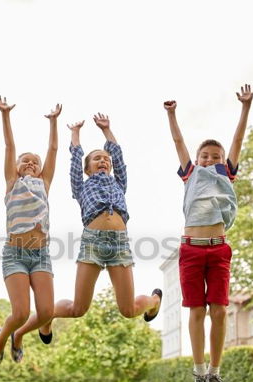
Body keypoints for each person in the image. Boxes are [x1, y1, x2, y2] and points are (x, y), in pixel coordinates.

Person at [13, 113, 162, 349]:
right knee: (78, 309)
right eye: (97, 159)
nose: (103, 161)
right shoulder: (81, 186)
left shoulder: (119, 182)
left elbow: (119, 158)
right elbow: (74, 160)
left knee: (128, 310)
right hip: (92, 242)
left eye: (106, 159)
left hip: (119, 244)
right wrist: (75, 133)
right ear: (87, 168)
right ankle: (45, 317)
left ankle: (154, 301)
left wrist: (106, 130)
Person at [164, 84, 253, 382]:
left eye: (214, 156)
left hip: (218, 249)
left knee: (219, 310)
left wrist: (245, 108)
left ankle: (216, 372)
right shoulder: (191, 173)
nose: (209, 159)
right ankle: (199, 372)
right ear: (198, 159)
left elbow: (237, 141)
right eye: (205, 155)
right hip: (190, 249)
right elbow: (178, 141)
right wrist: (171, 114)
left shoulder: (225, 174)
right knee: (196, 310)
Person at [0, 96, 61, 365]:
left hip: (41, 254)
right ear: (17, 167)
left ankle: (18, 335)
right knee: (20, 312)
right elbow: (9, 145)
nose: (31, 163)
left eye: (35, 162)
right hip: (15, 254)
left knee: (45, 313)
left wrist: (54, 122)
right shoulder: (12, 183)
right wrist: (5, 116)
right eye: (25, 161)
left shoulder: (44, 182)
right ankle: (1, 337)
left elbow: (53, 149)